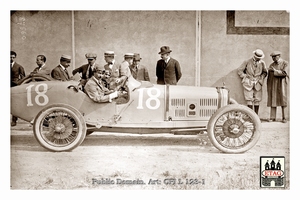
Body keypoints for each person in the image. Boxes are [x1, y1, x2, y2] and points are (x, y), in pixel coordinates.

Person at [237, 49, 268, 115]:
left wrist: (261, 79)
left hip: (258, 83)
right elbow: (240, 70)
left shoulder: (262, 63)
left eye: (260, 58)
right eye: (258, 58)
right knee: (249, 99)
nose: (259, 59)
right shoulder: (247, 62)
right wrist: (245, 77)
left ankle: (256, 116)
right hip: (248, 83)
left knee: (257, 99)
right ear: (255, 56)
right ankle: (250, 116)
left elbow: (265, 72)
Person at [266, 51, 289, 123]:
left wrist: (275, 71)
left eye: (275, 56)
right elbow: (269, 76)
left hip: (282, 83)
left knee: (283, 98)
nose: (273, 58)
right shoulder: (271, 65)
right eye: (272, 57)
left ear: (279, 56)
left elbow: (284, 73)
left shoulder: (285, 63)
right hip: (273, 83)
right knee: (273, 98)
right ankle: (272, 117)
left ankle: (284, 117)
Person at [10, 50, 26, 126]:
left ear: (15, 58)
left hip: (14, 86)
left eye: (13, 57)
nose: (11, 59)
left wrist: (17, 83)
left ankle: (14, 120)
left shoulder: (19, 67)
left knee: (14, 103)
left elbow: (23, 78)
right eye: (10, 57)